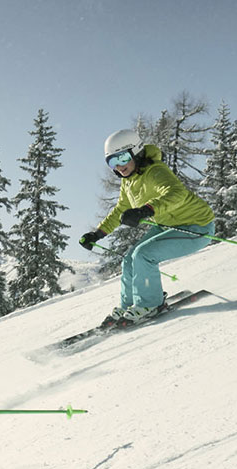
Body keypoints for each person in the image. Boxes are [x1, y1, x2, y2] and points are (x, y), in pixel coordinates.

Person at [78, 128, 216, 326]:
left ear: (136, 152)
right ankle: (130, 305)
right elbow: (120, 210)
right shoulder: (129, 181)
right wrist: (97, 234)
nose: (119, 166)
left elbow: (177, 193)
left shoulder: (155, 171)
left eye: (123, 158)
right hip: (168, 225)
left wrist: (146, 210)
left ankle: (150, 305)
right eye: (112, 162)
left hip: (196, 226)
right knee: (129, 259)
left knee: (143, 255)